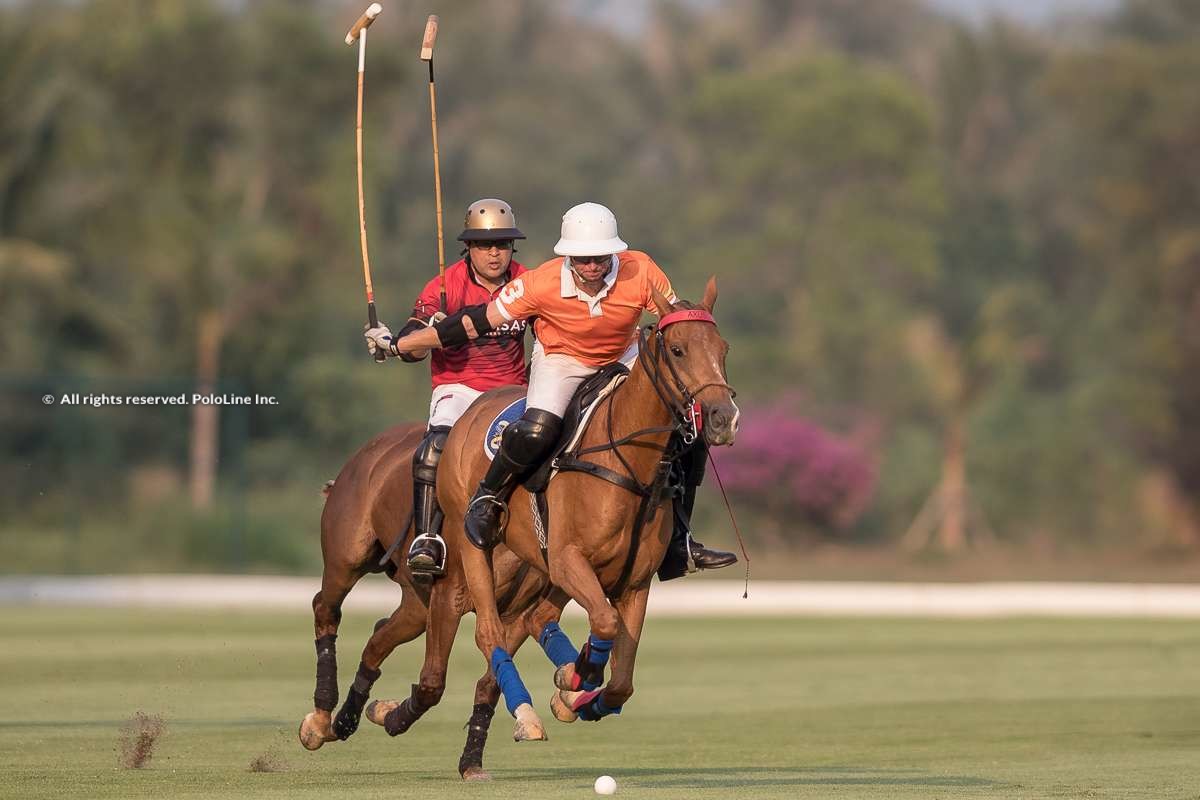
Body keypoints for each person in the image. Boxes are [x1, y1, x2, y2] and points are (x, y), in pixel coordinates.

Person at [372, 201, 736, 578]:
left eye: (600, 257)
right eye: (582, 259)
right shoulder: (539, 283)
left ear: (614, 251)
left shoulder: (640, 269)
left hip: (623, 356)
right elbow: (473, 323)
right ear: (567, 257)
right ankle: (487, 498)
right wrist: (405, 344)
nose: (592, 267)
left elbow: (675, 319)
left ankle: (680, 541)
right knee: (536, 429)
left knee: (686, 431)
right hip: (562, 359)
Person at [364, 198, 530, 576]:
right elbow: (411, 346)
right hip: (459, 388)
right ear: (468, 248)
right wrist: (419, 332)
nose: (494, 254)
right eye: (485, 245)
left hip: (512, 392)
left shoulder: (525, 282)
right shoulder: (445, 284)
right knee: (435, 446)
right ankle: (427, 537)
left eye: (502, 245)